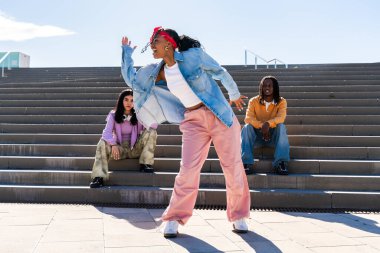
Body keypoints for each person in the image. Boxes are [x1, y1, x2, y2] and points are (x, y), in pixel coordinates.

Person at [121, 26, 250, 238]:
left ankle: (239, 215)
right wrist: (126, 54)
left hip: (219, 114)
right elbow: (132, 81)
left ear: (169, 43)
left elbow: (220, 72)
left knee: (232, 165)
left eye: (156, 41)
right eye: (151, 42)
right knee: (188, 169)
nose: (152, 45)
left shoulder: (193, 56)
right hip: (192, 120)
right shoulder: (156, 71)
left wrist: (234, 94)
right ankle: (174, 217)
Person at [90, 88, 157, 188]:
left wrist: (145, 110)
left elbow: (153, 126)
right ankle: (99, 177)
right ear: (121, 100)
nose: (129, 103)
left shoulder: (139, 115)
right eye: (126, 99)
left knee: (151, 132)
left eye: (132, 100)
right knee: (102, 142)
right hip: (119, 150)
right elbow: (106, 133)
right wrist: (113, 144)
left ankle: (145, 164)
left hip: (135, 148)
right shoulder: (113, 115)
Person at [241, 76, 290, 175]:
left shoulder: (281, 101)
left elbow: (281, 118)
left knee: (281, 126)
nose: (267, 88)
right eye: (264, 86)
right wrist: (262, 126)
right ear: (261, 87)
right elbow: (248, 118)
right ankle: (246, 163)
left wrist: (268, 124)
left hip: (273, 138)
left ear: (274, 87)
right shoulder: (253, 101)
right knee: (247, 127)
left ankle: (281, 163)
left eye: (270, 85)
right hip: (257, 138)